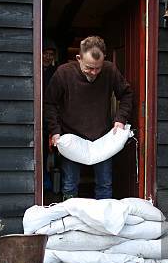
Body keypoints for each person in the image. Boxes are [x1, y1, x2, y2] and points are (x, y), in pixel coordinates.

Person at [44, 36, 133, 200]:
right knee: (70, 186)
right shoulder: (63, 73)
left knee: (105, 185)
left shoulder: (110, 70)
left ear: (103, 60)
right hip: (72, 137)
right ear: (79, 58)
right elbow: (49, 104)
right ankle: (72, 223)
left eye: (97, 68)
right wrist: (55, 131)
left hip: (102, 139)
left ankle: (102, 223)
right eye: (89, 68)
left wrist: (120, 119)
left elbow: (126, 94)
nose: (94, 73)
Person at [42, 45, 58, 193]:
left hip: (52, 116)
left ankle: (50, 182)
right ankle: (44, 180)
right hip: (38, 115)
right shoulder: (36, 70)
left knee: (54, 150)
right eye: (45, 53)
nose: (47, 57)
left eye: (50, 54)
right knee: (40, 151)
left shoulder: (55, 72)